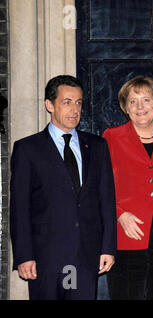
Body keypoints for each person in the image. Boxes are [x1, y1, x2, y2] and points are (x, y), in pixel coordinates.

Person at [10, 75, 117, 300]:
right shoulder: (28, 149)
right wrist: (23, 255)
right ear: (49, 105)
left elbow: (106, 200)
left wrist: (108, 247)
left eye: (78, 102)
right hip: (44, 258)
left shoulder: (97, 146)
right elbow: (20, 207)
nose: (74, 109)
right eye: (66, 102)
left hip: (86, 257)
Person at [103, 76, 153, 300]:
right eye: (133, 101)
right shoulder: (111, 138)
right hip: (127, 235)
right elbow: (101, 187)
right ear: (125, 107)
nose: (140, 107)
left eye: (146, 100)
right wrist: (119, 214)